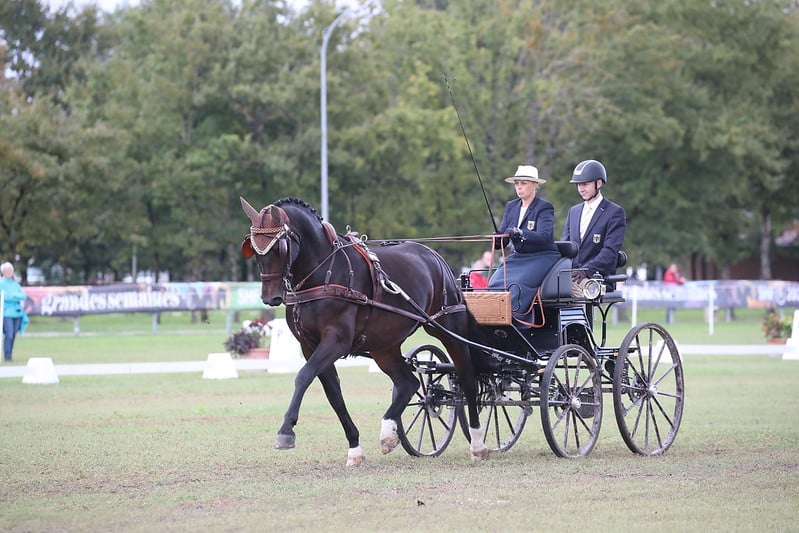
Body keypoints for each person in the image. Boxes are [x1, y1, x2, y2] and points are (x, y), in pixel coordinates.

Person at [487, 164, 560, 325]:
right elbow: (504, 239)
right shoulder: (511, 207)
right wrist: (498, 238)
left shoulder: (544, 208)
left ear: (535, 185)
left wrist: (521, 233)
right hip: (519, 257)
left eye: (524, 183)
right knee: (494, 283)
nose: (519, 187)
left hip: (542, 257)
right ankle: (492, 321)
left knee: (516, 285)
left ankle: (517, 321)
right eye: (517, 184)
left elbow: (544, 236)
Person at [561, 159, 626, 298]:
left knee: (569, 287)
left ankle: (582, 320)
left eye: (585, 184)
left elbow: (610, 251)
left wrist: (587, 270)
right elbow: (564, 246)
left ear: (599, 183)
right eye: (578, 184)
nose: (581, 189)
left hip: (596, 278)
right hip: (571, 276)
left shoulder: (614, 212)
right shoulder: (574, 211)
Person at [1, 262, 29, 362]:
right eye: (7, 271)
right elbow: (5, 297)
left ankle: (10, 353)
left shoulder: (15, 284)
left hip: (17, 313)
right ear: (3, 272)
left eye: (10, 271)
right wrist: (13, 296)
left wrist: (13, 296)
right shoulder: (1, 283)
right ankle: (7, 355)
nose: (9, 273)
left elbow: (23, 295)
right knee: (9, 334)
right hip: (6, 313)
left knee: (13, 334)